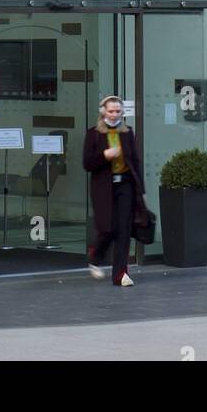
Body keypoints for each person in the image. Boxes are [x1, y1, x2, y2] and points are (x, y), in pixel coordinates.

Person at [82, 93, 148, 287]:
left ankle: (121, 274)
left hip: (126, 185)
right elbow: (87, 163)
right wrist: (105, 155)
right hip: (103, 187)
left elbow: (135, 161)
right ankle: (95, 257)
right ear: (103, 112)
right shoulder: (94, 133)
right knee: (107, 227)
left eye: (118, 111)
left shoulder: (127, 132)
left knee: (124, 229)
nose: (114, 115)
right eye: (111, 111)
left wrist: (140, 190)